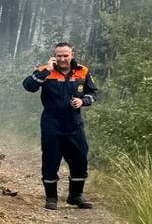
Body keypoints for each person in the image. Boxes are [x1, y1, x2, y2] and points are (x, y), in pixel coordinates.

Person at [22, 42, 99, 210]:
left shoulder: (82, 71)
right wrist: (45, 71)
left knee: (80, 160)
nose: (63, 59)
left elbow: (93, 92)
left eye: (66, 55)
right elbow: (28, 86)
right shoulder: (45, 70)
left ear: (72, 54)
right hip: (52, 123)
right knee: (50, 161)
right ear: (54, 56)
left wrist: (83, 101)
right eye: (59, 56)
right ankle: (51, 198)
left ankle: (75, 196)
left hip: (74, 124)